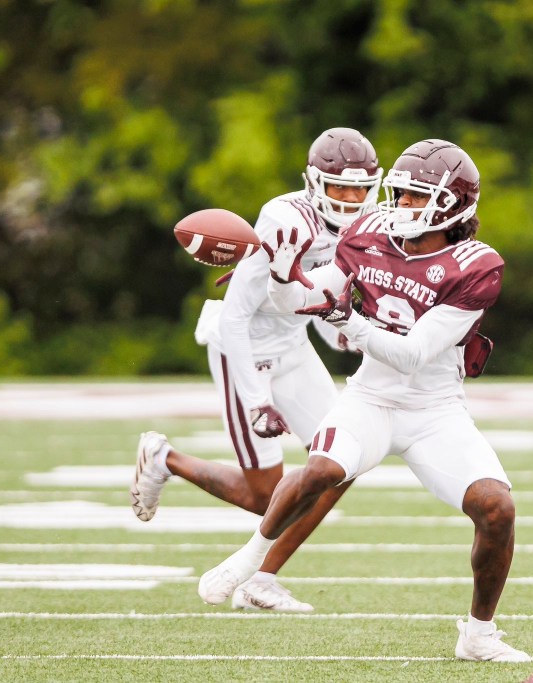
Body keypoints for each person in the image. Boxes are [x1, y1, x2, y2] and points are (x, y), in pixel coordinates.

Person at [197, 139, 530, 662]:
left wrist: (347, 319)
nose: (401, 205)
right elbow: (304, 300)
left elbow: (413, 354)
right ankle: (250, 559)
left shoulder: (475, 265)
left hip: (434, 411)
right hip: (370, 398)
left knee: (498, 509)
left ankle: (479, 635)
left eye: (415, 197)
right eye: (399, 193)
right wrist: (282, 276)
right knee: (322, 469)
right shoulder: (370, 231)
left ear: (450, 205)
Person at [130, 128, 383, 613]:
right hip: (243, 350)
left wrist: (339, 333)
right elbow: (235, 317)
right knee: (265, 495)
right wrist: (257, 401)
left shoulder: (368, 225)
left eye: (360, 190)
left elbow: (321, 293)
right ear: (314, 183)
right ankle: (164, 459)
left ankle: (262, 580)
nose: (351, 200)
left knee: (345, 461)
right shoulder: (285, 220)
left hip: (293, 345)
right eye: (340, 188)